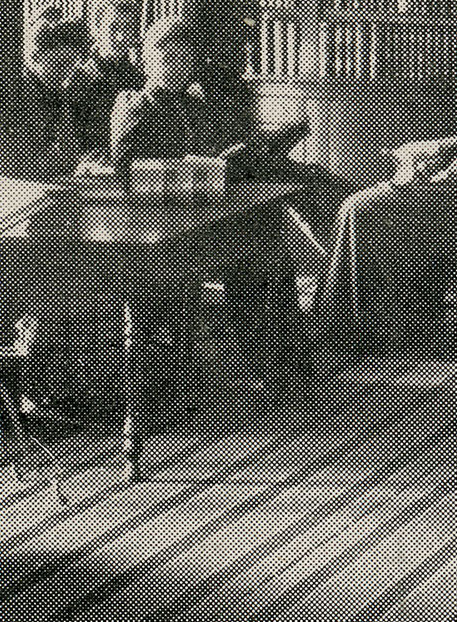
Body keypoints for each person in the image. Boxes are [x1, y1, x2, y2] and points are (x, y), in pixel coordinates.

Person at [108, 20, 312, 387]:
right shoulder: (133, 105)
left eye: (184, 57)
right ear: (148, 59)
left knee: (267, 246)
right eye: (166, 56)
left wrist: (242, 155)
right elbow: (130, 173)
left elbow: (215, 152)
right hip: (157, 227)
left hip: (205, 215)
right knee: (251, 252)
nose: (177, 64)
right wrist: (213, 167)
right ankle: (245, 366)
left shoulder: (196, 103)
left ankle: (283, 361)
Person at [317, 14, 457, 345]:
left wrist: (433, 149)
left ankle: (352, 322)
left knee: (359, 209)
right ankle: (353, 316)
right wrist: (429, 161)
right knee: (354, 209)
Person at [6, 16, 113, 179]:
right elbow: (23, 161)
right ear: (36, 57)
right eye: (60, 65)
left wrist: (83, 163)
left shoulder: (60, 96)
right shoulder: (19, 96)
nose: (66, 74)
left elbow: (69, 152)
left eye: (72, 66)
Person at [83, 0, 148, 98]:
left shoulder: (137, 79)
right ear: (96, 28)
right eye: (113, 28)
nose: (121, 37)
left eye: (127, 29)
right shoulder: (82, 78)